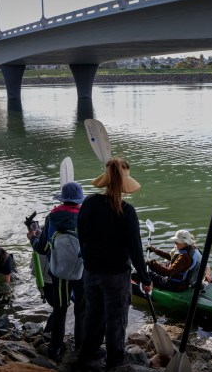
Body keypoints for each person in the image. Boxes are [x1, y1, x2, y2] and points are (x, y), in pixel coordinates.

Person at [76, 157, 153, 370]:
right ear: (125, 184)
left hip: (91, 272)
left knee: (94, 314)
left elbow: (81, 236)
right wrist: (145, 279)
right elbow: (136, 250)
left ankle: (88, 353)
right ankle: (114, 361)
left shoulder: (89, 203)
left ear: (106, 180)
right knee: (116, 319)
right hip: (116, 275)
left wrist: (90, 260)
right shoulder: (127, 211)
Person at [27, 181, 86, 359]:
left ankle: (55, 348)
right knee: (81, 309)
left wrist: (32, 239)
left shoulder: (52, 217)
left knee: (60, 309)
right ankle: (80, 347)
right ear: (79, 200)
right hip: (82, 271)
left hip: (59, 273)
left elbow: (43, 249)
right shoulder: (86, 215)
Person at [143, 229, 212, 291]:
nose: (175, 242)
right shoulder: (190, 250)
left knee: (139, 273)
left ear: (185, 242)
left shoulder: (184, 257)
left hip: (174, 285)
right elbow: (172, 257)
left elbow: (168, 272)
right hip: (180, 282)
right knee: (153, 265)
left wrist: (152, 263)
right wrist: (155, 250)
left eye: (177, 241)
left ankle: (145, 284)